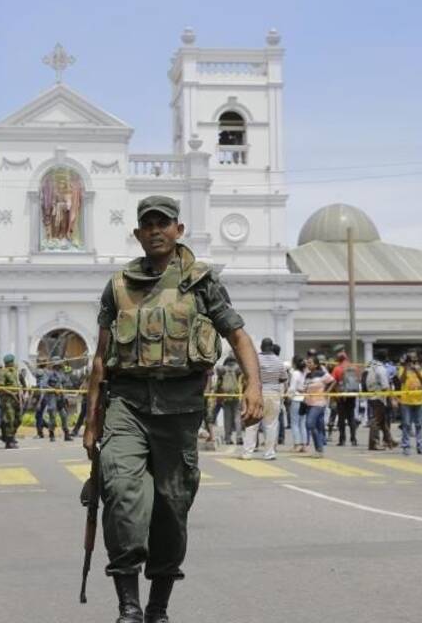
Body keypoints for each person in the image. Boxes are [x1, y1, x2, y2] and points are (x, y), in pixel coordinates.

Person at [82, 195, 262, 623]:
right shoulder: (118, 285)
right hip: (126, 404)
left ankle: (157, 608)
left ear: (178, 230)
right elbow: (100, 359)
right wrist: (92, 424)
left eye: (164, 223)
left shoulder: (202, 282)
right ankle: (128, 605)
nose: (156, 230)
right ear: (138, 233)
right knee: (121, 493)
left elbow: (237, 336)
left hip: (180, 409)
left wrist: (254, 385)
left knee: (171, 506)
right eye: (148, 224)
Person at [242, 337, 288, 460]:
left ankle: (248, 452)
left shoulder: (256, 360)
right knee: (271, 425)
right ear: (272, 347)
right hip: (273, 395)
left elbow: (248, 375)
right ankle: (269, 453)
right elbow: (283, 379)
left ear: (261, 347)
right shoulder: (279, 361)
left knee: (252, 424)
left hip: (258, 394)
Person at [364, 349, 397, 451]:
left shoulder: (370, 366)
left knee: (381, 420)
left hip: (371, 395)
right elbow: (385, 386)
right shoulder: (381, 369)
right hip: (379, 397)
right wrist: (392, 400)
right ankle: (373, 443)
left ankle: (390, 440)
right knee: (377, 420)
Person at [301, 356, 334, 458]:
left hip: (319, 403)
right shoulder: (307, 375)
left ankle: (319, 448)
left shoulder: (322, 374)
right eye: (307, 362)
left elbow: (333, 381)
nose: (308, 364)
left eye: (310, 362)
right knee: (318, 427)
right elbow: (305, 388)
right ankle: (319, 450)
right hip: (308, 403)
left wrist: (327, 392)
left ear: (316, 364)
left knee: (309, 424)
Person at [0, 354, 23, 449]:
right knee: (9, 419)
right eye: (12, 361)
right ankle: (9, 440)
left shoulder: (15, 372)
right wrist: (12, 393)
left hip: (16, 399)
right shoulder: (2, 372)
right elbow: (1, 387)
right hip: (7, 399)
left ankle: (9, 435)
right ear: (9, 362)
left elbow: (18, 384)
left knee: (18, 419)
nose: (13, 363)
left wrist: (20, 395)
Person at [287, 356, 308, 453]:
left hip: (296, 399)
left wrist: (288, 396)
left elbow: (292, 388)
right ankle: (304, 444)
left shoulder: (295, 373)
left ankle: (297, 444)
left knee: (294, 423)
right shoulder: (304, 372)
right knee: (302, 423)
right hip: (304, 399)